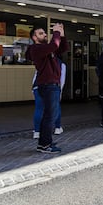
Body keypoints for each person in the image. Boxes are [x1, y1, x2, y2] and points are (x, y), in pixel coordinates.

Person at [26, 23, 68, 153]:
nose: (44, 34)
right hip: (48, 85)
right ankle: (45, 145)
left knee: (49, 115)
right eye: (40, 33)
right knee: (50, 116)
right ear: (34, 37)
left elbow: (63, 48)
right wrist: (55, 32)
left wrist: (62, 34)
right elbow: (54, 45)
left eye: (45, 33)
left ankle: (44, 142)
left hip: (52, 85)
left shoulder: (46, 48)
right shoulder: (35, 48)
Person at [32, 59, 66, 139]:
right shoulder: (61, 64)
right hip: (53, 87)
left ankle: (37, 132)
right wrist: (60, 91)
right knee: (55, 107)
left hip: (38, 86)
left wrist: (33, 88)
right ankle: (57, 127)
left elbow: (36, 75)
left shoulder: (41, 61)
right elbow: (62, 79)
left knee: (39, 109)